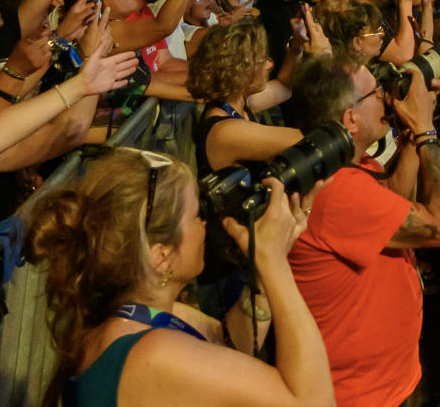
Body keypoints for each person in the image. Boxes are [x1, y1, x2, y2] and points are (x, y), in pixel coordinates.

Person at [24, 150, 333, 407]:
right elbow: (315, 402)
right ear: (161, 256)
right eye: (196, 214)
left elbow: (232, 346)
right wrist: (275, 262)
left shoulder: (132, 319)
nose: (204, 225)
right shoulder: (154, 352)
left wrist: (263, 278)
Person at [284, 53, 440, 407]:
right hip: (361, 396)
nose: (386, 96)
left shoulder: (349, 165)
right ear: (350, 118)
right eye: (376, 93)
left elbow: (394, 203)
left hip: (383, 382)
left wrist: (414, 131)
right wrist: (427, 132)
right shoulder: (336, 189)